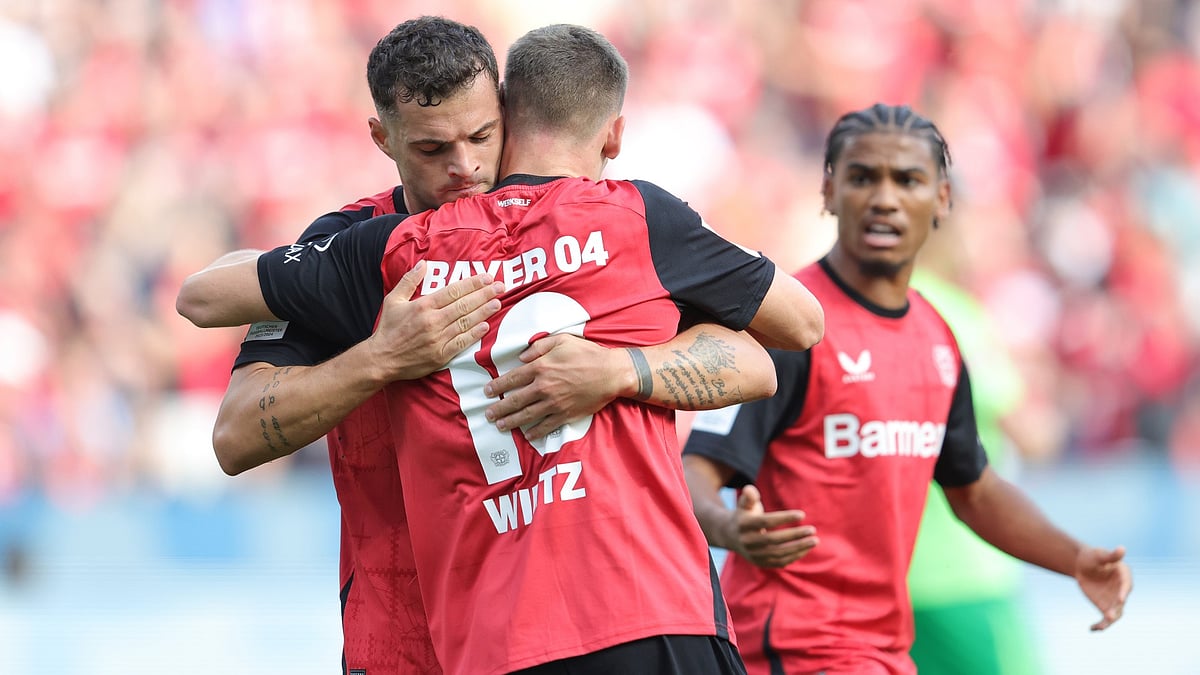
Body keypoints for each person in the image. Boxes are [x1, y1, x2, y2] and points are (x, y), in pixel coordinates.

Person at [186, 23, 825, 675]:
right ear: (384, 139)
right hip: (409, 638)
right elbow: (236, 433)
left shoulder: (590, 222)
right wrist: (379, 358)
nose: (463, 166)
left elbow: (754, 359)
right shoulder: (361, 247)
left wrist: (617, 370)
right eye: (433, 148)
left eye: (481, 136)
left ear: (508, 110)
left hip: (582, 619)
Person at [681, 103, 1132, 675]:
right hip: (792, 648)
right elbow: (697, 469)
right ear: (829, 190)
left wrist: (1076, 560)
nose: (885, 198)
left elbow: (976, 492)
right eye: (864, 177)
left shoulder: (938, 339)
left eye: (908, 180)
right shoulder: (790, 327)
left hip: (884, 650)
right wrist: (729, 528)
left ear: (942, 199)